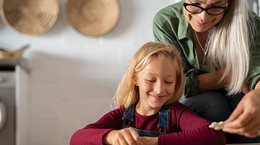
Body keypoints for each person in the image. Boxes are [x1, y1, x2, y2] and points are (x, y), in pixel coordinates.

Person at [70, 42, 225, 145]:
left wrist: (156, 141)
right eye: (151, 80)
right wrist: (109, 136)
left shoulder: (176, 114)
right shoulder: (121, 116)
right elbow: (76, 139)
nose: (159, 89)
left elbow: (216, 136)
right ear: (135, 78)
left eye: (168, 81)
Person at [153, 0, 260, 143]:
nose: (203, 17)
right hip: (199, 96)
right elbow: (179, 85)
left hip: (237, 90)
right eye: (196, 4)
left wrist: (257, 97)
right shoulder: (166, 22)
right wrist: (228, 75)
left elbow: (256, 73)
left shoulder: (250, 22)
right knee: (214, 106)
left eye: (215, 6)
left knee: (248, 113)